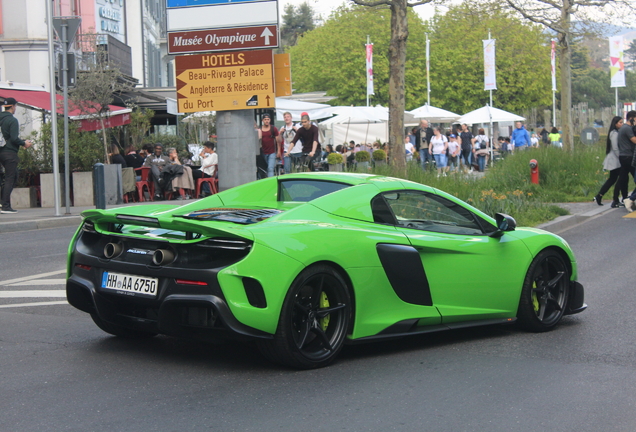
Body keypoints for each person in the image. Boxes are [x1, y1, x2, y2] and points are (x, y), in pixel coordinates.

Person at [0, 97, 33, 213]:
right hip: (9, 152)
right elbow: (13, 138)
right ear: (13, 106)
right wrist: (24, 143)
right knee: (11, 177)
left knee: (4, 178)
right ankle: (5, 206)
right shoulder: (12, 120)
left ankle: (2, 203)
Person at [592, 116, 623, 207]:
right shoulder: (614, 134)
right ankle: (615, 199)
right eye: (620, 122)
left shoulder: (616, 132)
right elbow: (615, 148)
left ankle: (600, 195)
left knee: (613, 179)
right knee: (618, 179)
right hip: (615, 160)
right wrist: (621, 158)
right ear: (615, 123)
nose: (622, 124)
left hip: (615, 159)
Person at [616, 111, 636, 209]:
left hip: (623, 156)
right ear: (632, 118)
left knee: (623, 179)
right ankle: (630, 199)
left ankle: (623, 198)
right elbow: (635, 140)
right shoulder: (627, 129)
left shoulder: (623, 128)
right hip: (629, 156)